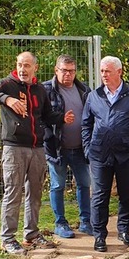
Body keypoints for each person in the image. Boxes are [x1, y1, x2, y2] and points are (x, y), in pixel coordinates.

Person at [0, 51, 72, 255]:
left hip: (37, 148)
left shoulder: (40, 90)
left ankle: (31, 235)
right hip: (14, 148)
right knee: (13, 192)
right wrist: (6, 99)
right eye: (20, 64)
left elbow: (47, 116)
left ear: (35, 68)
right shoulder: (7, 84)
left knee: (35, 192)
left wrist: (62, 118)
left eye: (27, 65)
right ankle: (7, 239)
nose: (22, 69)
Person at [81, 56, 129, 252]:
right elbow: (86, 124)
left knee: (126, 195)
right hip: (99, 154)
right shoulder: (94, 96)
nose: (104, 75)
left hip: (127, 155)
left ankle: (124, 230)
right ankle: (99, 236)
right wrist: (88, 148)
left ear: (119, 72)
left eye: (108, 71)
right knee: (99, 196)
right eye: (102, 71)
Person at [43, 55, 92, 239]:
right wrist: (52, 130)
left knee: (84, 184)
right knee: (57, 186)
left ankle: (86, 222)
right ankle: (60, 223)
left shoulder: (84, 90)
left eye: (71, 71)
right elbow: (40, 118)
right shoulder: (46, 90)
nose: (68, 75)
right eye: (64, 70)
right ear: (56, 70)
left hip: (80, 148)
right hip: (57, 148)